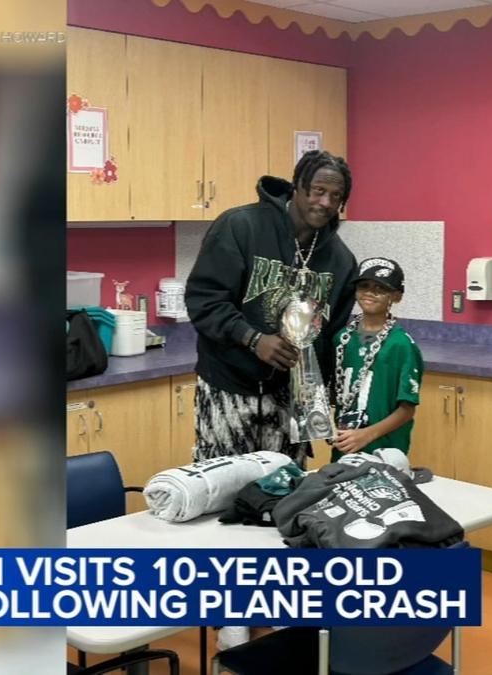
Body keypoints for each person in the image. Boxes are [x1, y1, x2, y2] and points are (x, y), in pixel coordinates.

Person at [187, 151, 357, 650]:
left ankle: (278, 604)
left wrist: (323, 406)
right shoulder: (241, 227)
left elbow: (329, 339)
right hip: (229, 386)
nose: (323, 203)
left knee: (286, 504)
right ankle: (229, 617)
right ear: (297, 187)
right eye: (316, 191)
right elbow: (203, 299)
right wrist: (251, 337)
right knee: (224, 502)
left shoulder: (339, 259)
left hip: (292, 399)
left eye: (335, 196)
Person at [330, 258, 424, 461]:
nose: (370, 293)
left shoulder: (401, 346)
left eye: (380, 288)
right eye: (364, 286)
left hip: (384, 450)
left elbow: (407, 410)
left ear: (396, 296)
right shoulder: (341, 339)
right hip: (345, 448)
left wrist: (365, 435)